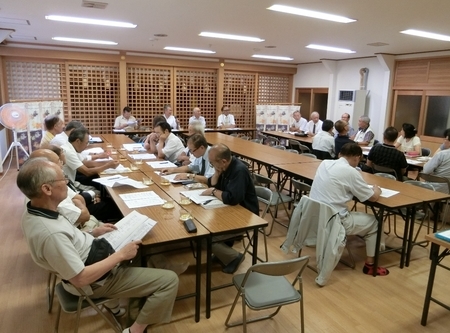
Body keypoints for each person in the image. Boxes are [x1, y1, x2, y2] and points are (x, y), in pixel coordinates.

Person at [17, 158, 179, 333]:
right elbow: (80, 278)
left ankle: (117, 303)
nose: (66, 182)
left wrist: (93, 233)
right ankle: (134, 330)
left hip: (93, 253)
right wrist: (121, 255)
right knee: (169, 281)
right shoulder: (50, 233)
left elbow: (69, 240)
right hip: (93, 282)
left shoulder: (34, 209)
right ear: (47, 189)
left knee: (140, 245)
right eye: (62, 179)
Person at [310, 142, 389, 276]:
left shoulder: (325, 163)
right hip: (335, 220)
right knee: (376, 222)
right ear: (357, 157)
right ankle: (370, 265)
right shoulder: (351, 172)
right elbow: (373, 197)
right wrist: (377, 190)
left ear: (340, 154)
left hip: (316, 216)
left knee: (361, 217)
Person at [201, 143, 259, 274]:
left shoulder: (239, 170)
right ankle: (224, 253)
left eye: (212, 163)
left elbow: (233, 198)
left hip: (246, 215)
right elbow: (212, 183)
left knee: (206, 236)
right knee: (205, 226)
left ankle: (234, 257)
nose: (211, 165)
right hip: (230, 210)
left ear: (223, 161)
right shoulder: (224, 167)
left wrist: (214, 191)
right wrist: (216, 172)